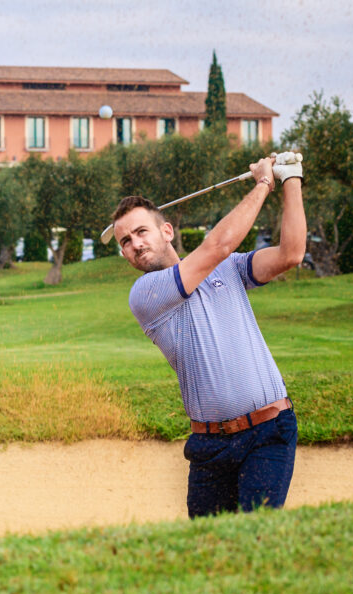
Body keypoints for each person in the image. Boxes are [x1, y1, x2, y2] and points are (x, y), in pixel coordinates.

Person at [104, 152, 305, 518]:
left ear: (167, 231)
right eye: (125, 241)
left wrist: (291, 178)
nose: (135, 244)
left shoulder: (230, 269)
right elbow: (217, 246)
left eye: (141, 231)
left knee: (255, 535)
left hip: (269, 431)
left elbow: (291, 253)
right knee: (207, 551)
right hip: (210, 447)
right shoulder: (146, 294)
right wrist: (263, 183)